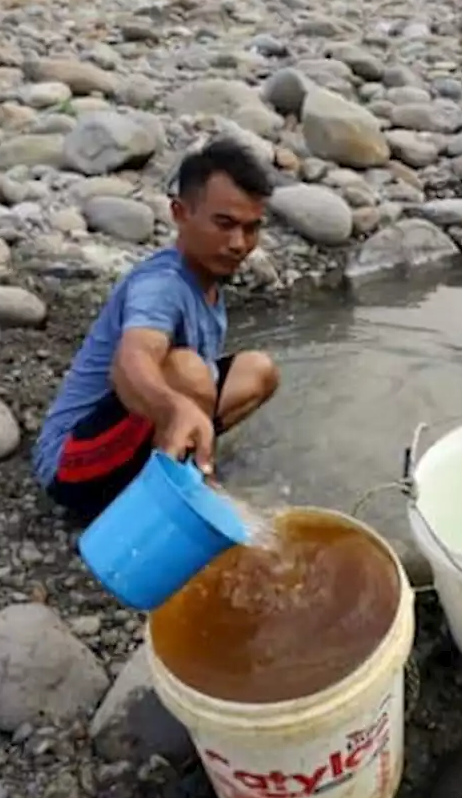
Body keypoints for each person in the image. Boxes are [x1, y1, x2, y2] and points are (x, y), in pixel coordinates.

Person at [32, 139, 280, 521]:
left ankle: (183, 459)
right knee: (187, 371)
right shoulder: (161, 284)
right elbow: (131, 360)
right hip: (72, 463)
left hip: (126, 433)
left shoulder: (209, 276)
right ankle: (171, 500)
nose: (238, 244)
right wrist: (175, 407)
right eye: (224, 224)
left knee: (258, 371)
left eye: (251, 229)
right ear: (181, 214)